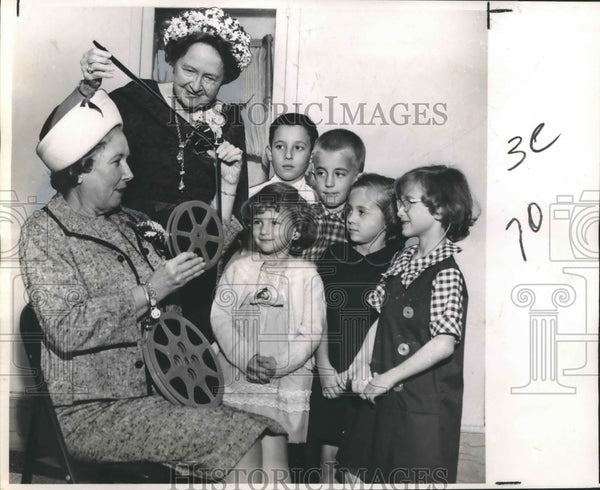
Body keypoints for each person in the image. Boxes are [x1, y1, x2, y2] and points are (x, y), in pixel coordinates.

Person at [19, 89, 287, 484]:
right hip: (93, 410)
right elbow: (65, 327)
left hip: (157, 393)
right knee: (239, 437)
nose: (129, 172)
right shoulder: (45, 232)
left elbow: (196, 255)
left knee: (271, 431)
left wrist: (227, 187)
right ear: (79, 169)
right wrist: (148, 291)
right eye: (117, 162)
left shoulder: (128, 221)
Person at [78, 7, 253, 342]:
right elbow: (66, 143)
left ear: (224, 80)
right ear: (172, 60)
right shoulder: (134, 98)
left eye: (210, 78)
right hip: (131, 255)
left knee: (184, 353)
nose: (196, 85)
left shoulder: (229, 122)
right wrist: (87, 87)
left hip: (194, 263)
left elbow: (226, 219)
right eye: (189, 69)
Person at [336, 165, 478, 484]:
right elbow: (382, 318)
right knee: (360, 471)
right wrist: (360, 362)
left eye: (408, 203)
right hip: (383, 401)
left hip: (420, 409)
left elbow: (444, 343)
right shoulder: (402, 258)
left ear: (440, 208)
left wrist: (388, 378)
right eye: (399, 202)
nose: (399, 211)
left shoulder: (446, 273)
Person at [211, 183, 326, 480]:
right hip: (240, 373)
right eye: (258, 221)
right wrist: (245, 357)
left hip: (281, 380)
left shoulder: (307, 275)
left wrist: (281, 364)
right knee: (237, 455)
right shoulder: (239, 269)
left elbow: (310, 332)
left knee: (275, 462)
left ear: (297, 230)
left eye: (274, 222)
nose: (263, 229)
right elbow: (220, 316)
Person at [307, 173, 405, 482]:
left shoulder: (398, 262)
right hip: (330, 374)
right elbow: (317, 314)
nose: (351, 218)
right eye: (349, 209)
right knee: (328, 458)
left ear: (390, 218)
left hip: (369, 377)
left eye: (362, 212)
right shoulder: (334, 256)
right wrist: (323, 367)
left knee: (360, 466)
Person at [301, 129, 366, 261]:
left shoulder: (357, 222)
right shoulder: (304, 216)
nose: (329, 183)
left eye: (339, 174)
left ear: (356, 178)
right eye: (321, 173)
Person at [249, 113, 319, 202]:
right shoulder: (252, 196)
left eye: (298, 148)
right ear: (270, 153)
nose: (288, 155)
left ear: (311, 156)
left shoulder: (317, 201)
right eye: (280, 147)